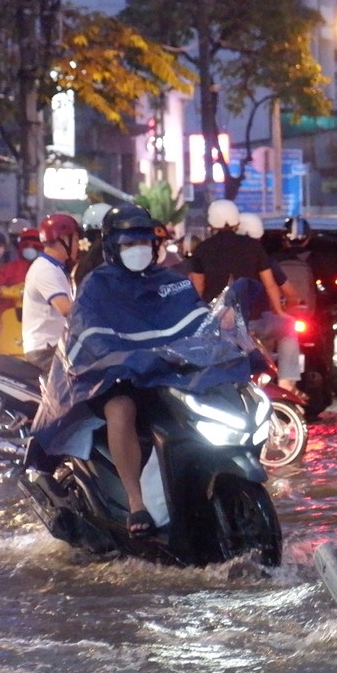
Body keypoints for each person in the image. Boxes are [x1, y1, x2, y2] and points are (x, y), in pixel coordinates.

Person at [60, 205, 195, 538]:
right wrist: (115, 356)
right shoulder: (96, 285)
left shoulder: (173, 281)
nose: (138, 249)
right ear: (112, 247)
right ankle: (137, 503)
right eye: (128, 243)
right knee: (120, 410)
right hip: (117, 375)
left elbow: (196, 318)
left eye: (143, 242)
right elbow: (86, 329)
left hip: (165, 373)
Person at [189, 199, 298, 392]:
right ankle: (286, 383)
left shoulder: (202, 249)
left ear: (211, 223)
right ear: (236, 222)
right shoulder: (253, 247)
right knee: (289, 327)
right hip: (253, 322)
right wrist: (280, 312)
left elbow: (197, 290)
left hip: (215, 326)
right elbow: (270, 284)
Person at [22, 214, 80, 370]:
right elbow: (66, 309)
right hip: (46, 351)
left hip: (54, 347)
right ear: (62, 240)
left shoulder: (55, 268)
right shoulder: (45, 270)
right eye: (75, 239)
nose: (78, 245)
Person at [0, 227, 42, 356]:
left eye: (34, 244)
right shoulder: (8, 269)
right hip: (10, 318)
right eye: (26, 245)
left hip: (41, 319)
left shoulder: (49, 270)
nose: (30, 248)